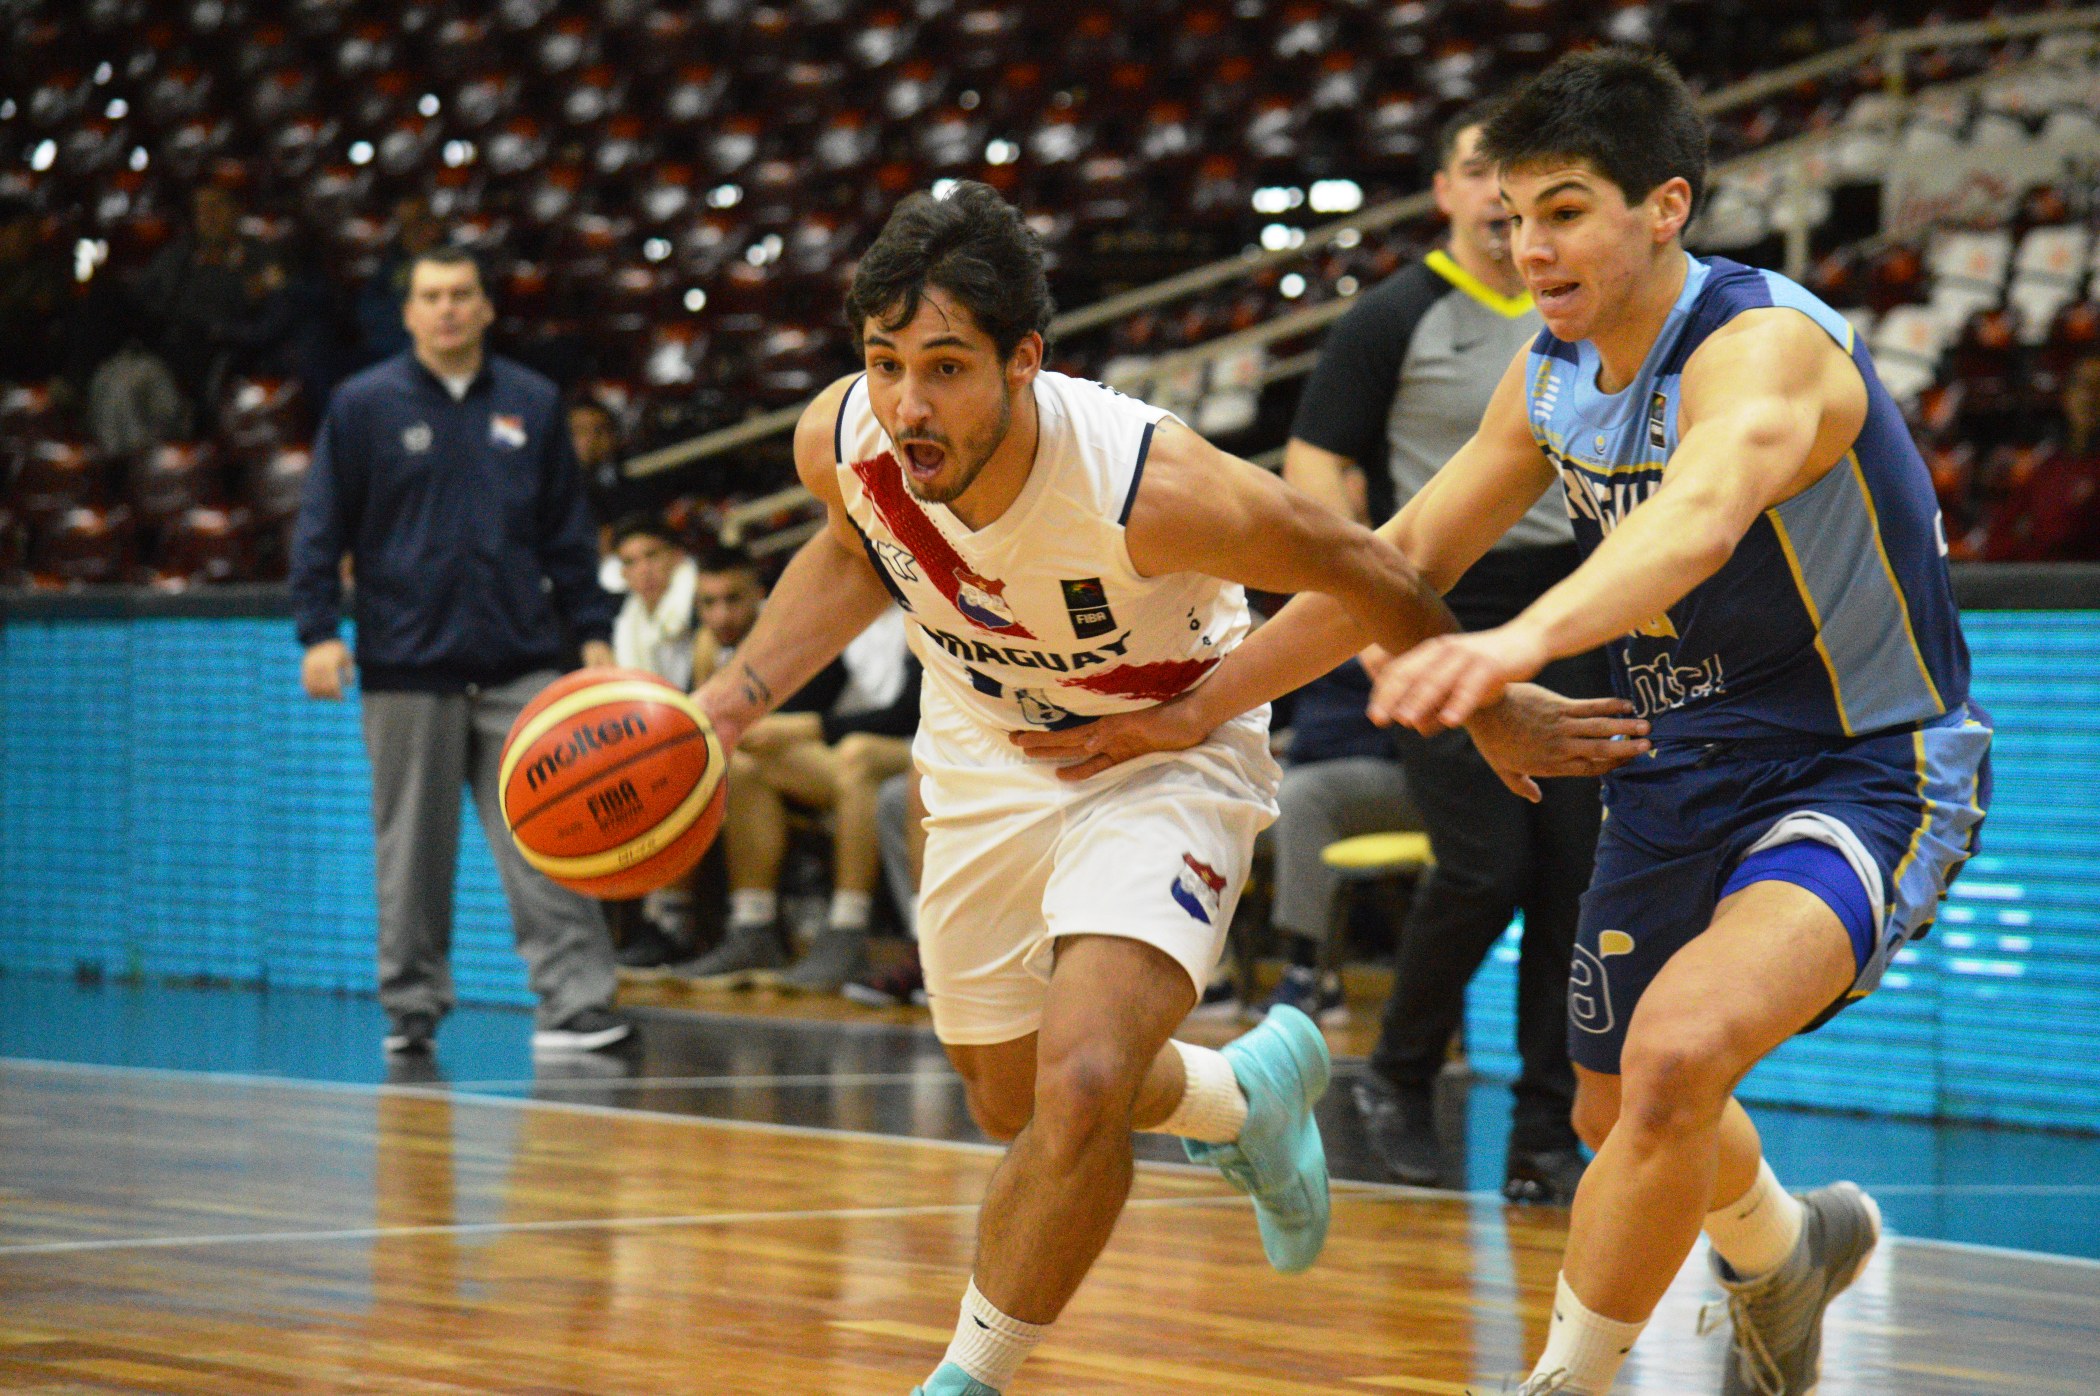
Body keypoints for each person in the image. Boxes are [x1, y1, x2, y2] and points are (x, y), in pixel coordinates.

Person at [1042, 49, 1991, 1396]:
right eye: (1512, 209)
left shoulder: (1766, 347)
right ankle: (1787, 1250)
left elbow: (1697, 519)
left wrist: (1519, 641)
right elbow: (1401, 554)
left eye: (1563, 210)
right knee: (1616, 1107)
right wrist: (1192, 708)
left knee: (1672, 1060)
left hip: (1860, 765)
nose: (1524, 240)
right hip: (1674, 767)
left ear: (1665, 207)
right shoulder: (1551, 369)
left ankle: (1567, 1381)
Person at [686, 181, 1640, 1396]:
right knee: (1009, 1100)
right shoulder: (847, 437)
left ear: (1025, 361)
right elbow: (850, 544)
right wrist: (733, 699)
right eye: (883, 364)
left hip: (1168, 750)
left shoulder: (1150, 484)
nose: (908, 405)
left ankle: (966, 1379)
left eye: (945, 368)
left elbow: (1368, 566)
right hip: (986, 754)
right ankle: (1242, 1095)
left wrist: (1481, 699)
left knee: (1081, 1087)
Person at [1284, 101, 1610, 1203]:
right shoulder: (1392, 316)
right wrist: (1372, 618)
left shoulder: (1588, 309)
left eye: (1511, 175)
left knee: (1573, 878)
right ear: (1447, 193)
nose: (1493, 195)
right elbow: (1314, 469)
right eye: (1477, 172)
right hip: (1438, 608)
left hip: (1573, 607)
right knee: (1486, 865)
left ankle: (1542, 1136)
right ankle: (1399, 1071)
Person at [290, 245, 632, 1060]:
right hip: (408, 665)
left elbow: (567, 534)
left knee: (554, 835)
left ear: (485, 307)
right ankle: (412, 1006)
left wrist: (591, 632)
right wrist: (315, 633)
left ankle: (576, 1003)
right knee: (411, 850)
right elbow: (319, 528)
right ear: (408, 312)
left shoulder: (534, 402)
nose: (448, 308)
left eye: (463, 294)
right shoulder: (361, 406)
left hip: (523, 663)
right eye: (432, 296)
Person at [678, 604, 921, 994]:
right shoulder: (859, 613)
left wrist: (809, 727)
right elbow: (813, 693)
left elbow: (909, 714)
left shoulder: (924, 603)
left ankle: (849, 926)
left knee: (857, 756)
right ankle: (754, 926)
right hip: (858, 749)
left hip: (924, 747)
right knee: (745, 761)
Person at [1254, 657, 1414, 1024]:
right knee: (1224, 798)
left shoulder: (1394, 615)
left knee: (1301, 799)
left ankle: (1310, 972)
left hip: (1396, 775)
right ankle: (1215, 974)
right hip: (1313, 770)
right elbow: (1276, 711)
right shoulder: (1313, 624)